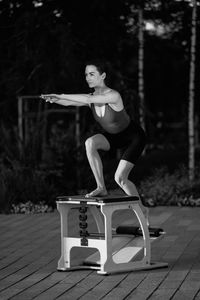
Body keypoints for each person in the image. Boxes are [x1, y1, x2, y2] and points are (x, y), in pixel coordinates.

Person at [41, 59, 148, 222]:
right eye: (86, 75)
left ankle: (142, 211)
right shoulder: (90, 98)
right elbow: (71, 102)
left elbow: (85, 99)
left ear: (103, 76)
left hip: (134, 137)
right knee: (90, 143)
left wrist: (60, 95)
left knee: (120, 179)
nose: (88, 78)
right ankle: (101, 187)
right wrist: (55, 99)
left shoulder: (113, 95)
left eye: (92, 74)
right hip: (114, 137)